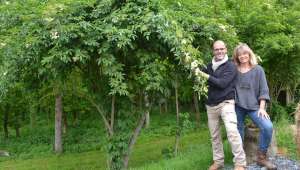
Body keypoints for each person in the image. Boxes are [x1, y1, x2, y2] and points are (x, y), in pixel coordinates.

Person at [196, 40, 246, 170]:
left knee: (232, 131)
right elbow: (198, 76)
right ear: (213, 51)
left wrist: (205, 76)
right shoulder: (208, 66)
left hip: (226, 103)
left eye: (221, 49)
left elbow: (222, 83)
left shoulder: (231, 66)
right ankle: (218, 162)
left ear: (226, 50)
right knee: (214, 136)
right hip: (211, 105)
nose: (219, 51)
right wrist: (194, 67)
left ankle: (240, 163)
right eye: (216, 49)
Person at [233, 43, 277, 170]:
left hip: (254, 107)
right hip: (238, 106)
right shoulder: (234, 70)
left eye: (245, 53)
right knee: (237, 130)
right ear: (237, 57)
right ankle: (240, 160)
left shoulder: (258, 70)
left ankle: (261, 157)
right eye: (240, 55)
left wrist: (262, 108)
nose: (243, 56)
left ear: (249, 54)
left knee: (268, 126)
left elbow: (264, 90)